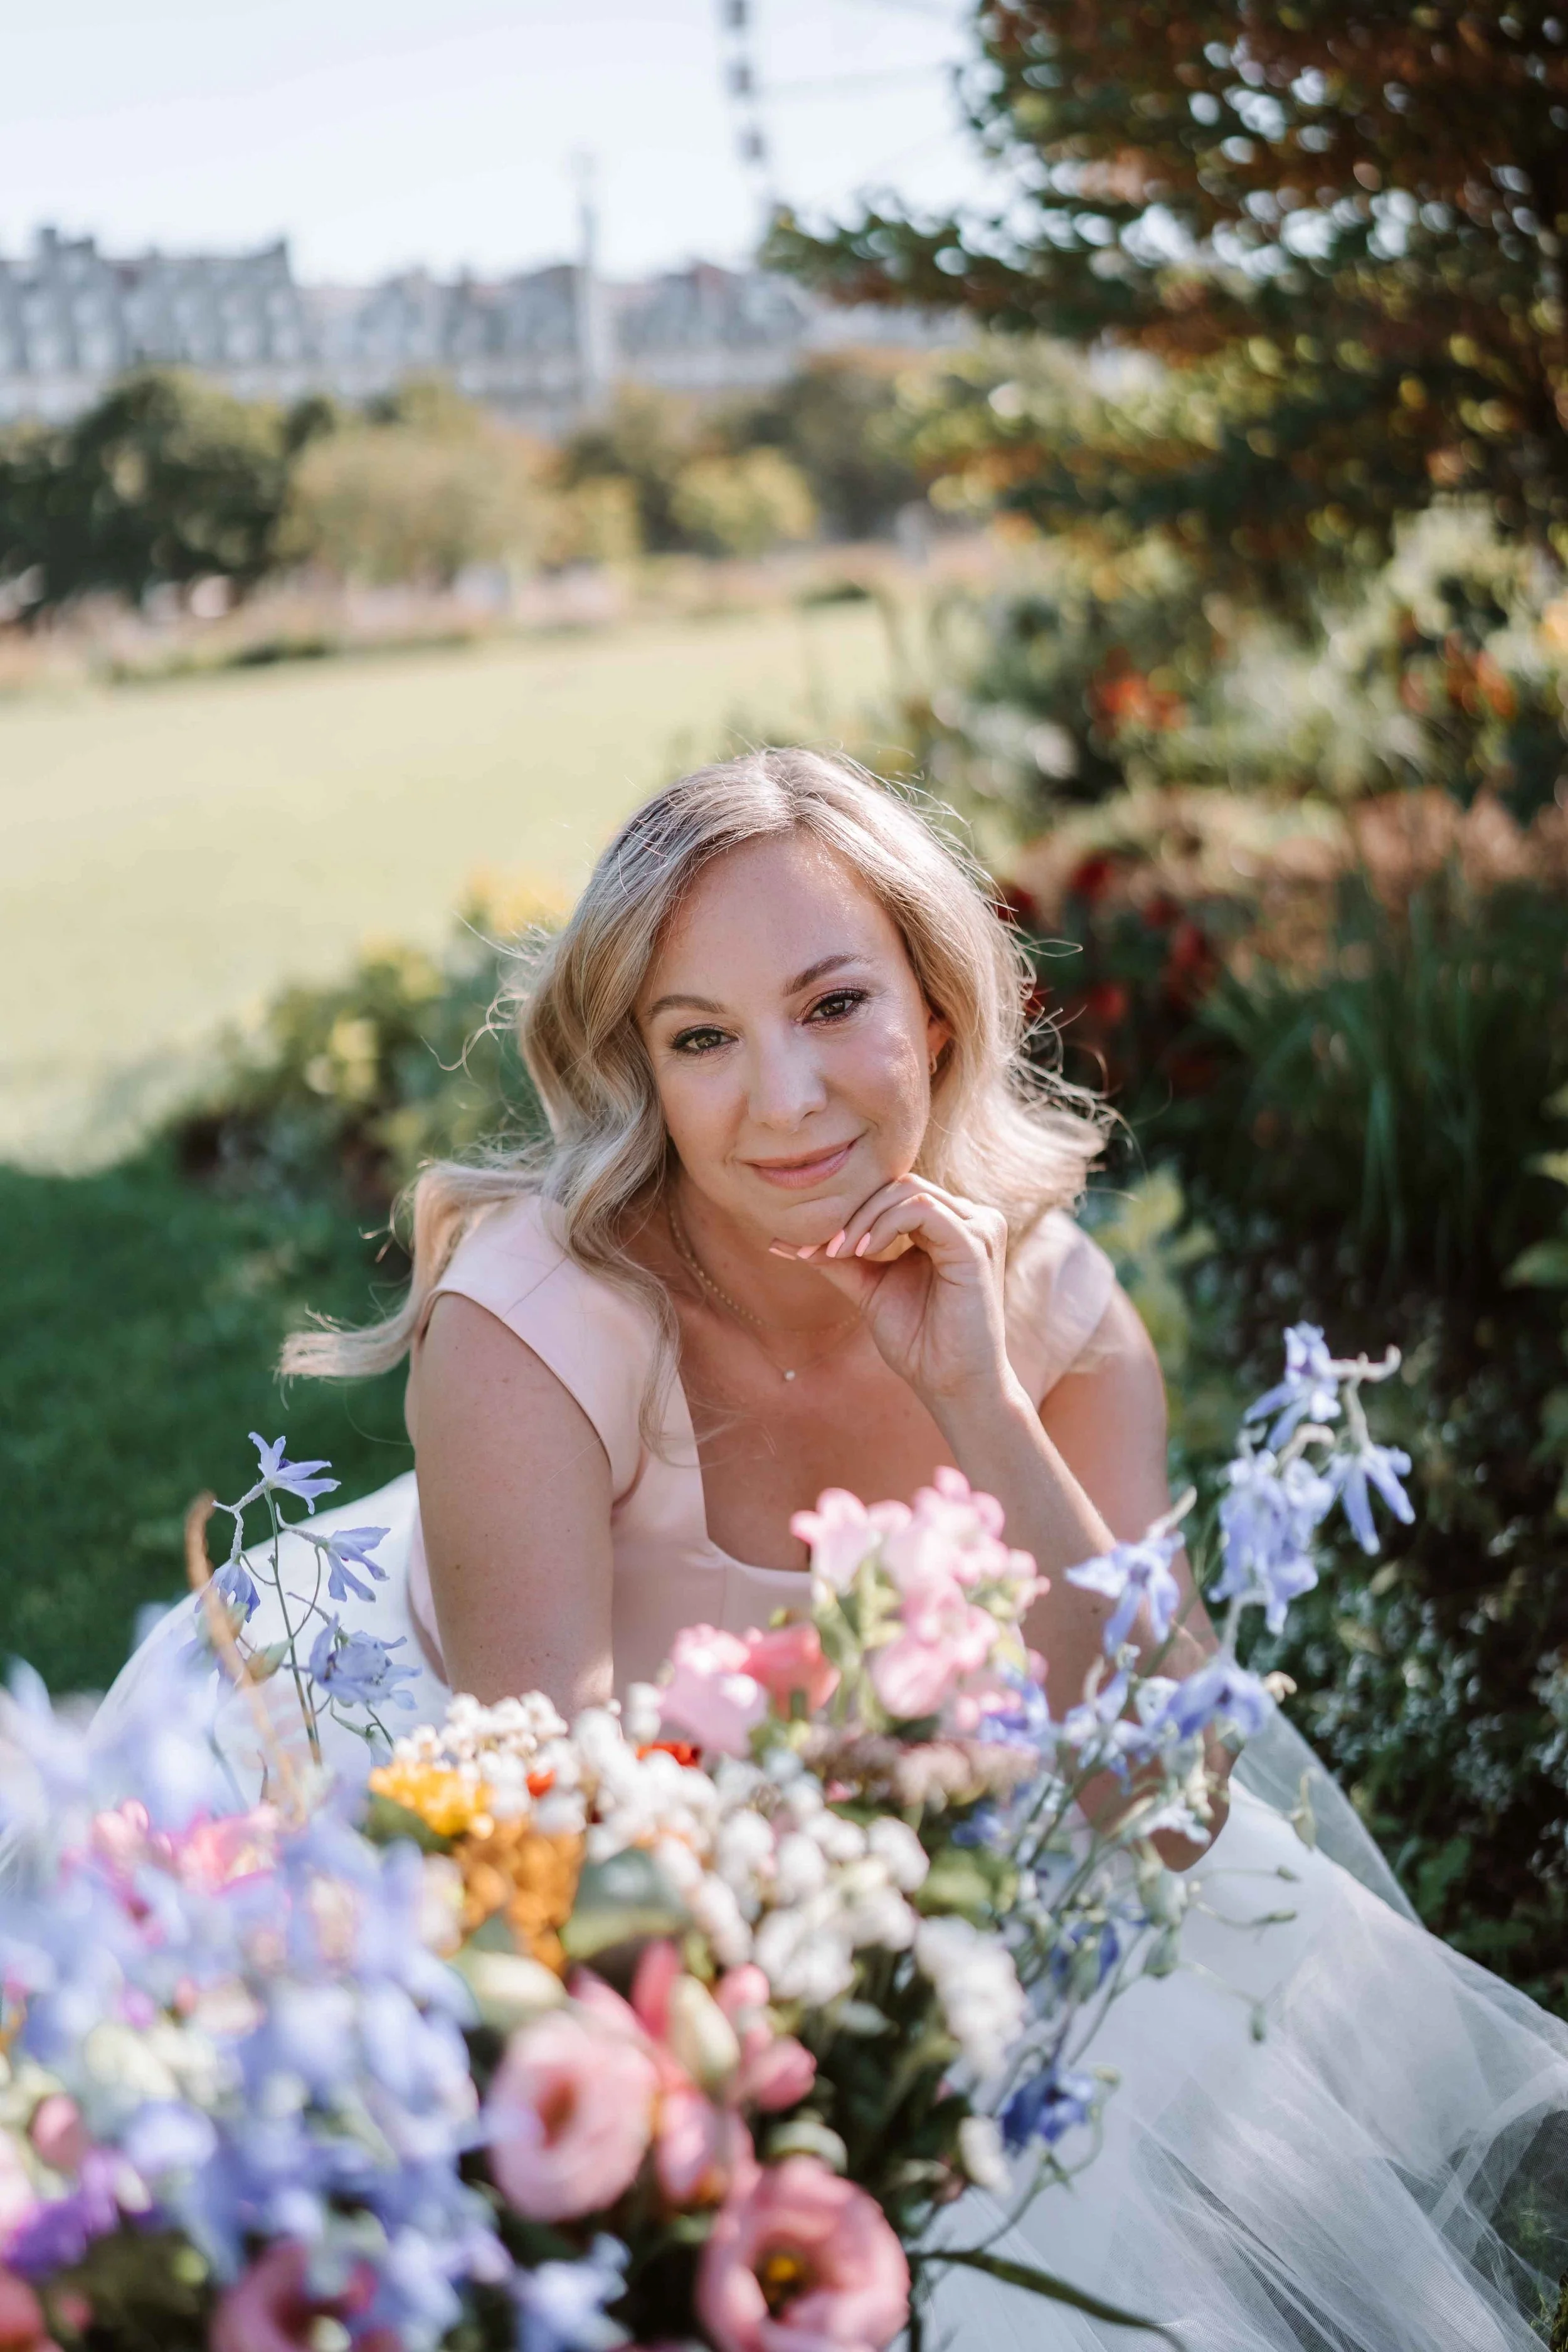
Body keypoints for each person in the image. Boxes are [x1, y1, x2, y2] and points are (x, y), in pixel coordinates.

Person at [102, 751, 1568, 2348]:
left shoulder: (1058, 1320)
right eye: (701, 1039)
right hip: (515, 1830)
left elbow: (1165, 1811)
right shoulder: (533, 1323)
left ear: (936, 1010)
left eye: (831, 1005)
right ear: (639, 1075)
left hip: (900, 1866)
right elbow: (536, 1853)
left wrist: (978, 1400)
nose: (786, 1098)